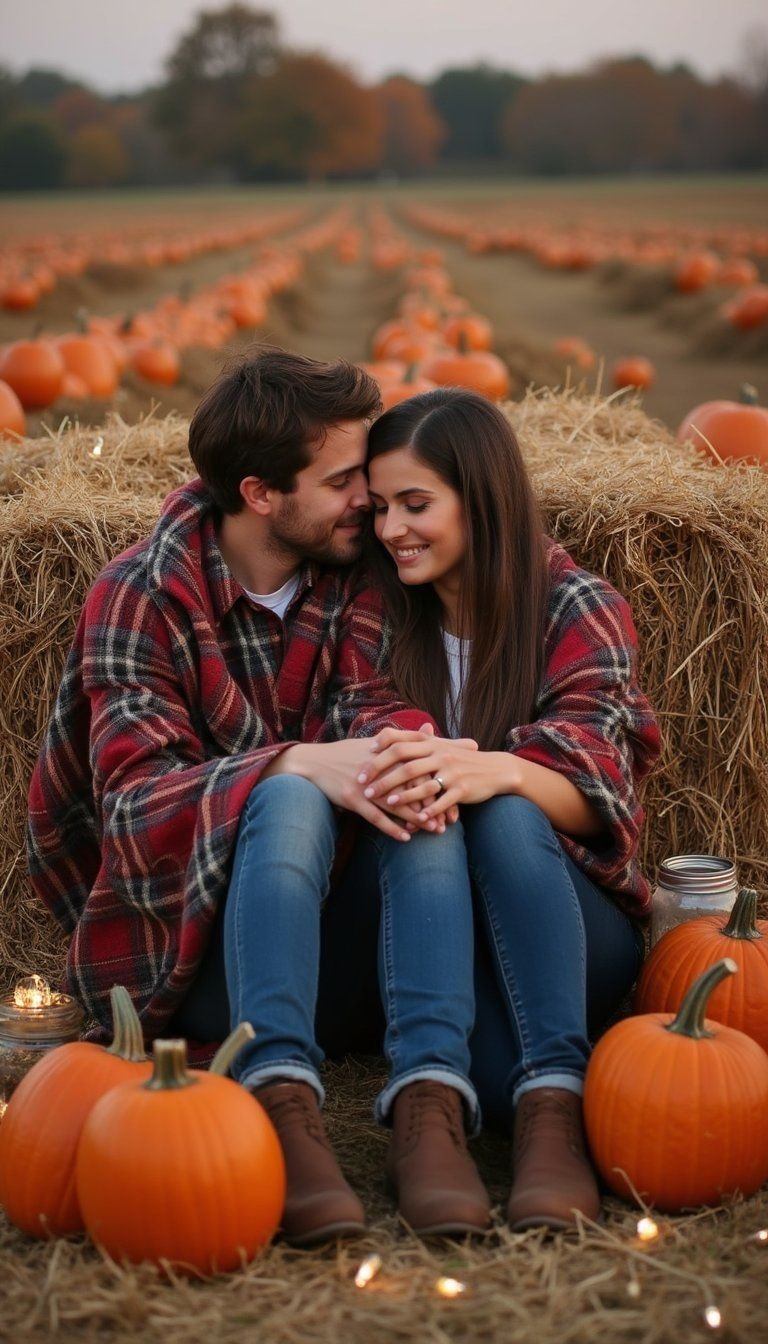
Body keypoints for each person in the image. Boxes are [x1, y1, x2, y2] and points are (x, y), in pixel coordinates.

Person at [26, 350, 491, 1247]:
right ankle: (278, 1101)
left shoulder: (357, 570)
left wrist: (403, 746)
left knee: (405, 772)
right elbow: (130, 806)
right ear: (261, 493)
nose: (372, 499)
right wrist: (291, 764)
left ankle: (433, 1102)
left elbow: (372, 702)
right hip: (193, 952)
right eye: (345, 480)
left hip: (332, 940)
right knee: (286, 797)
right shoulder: (139, 594)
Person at [359, 387, 661, 1232]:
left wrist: (496, 768)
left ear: (481, 498)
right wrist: (441, 767)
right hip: (423, 918)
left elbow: (603, 787)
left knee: (501, 801)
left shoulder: (575, 605)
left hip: (559, 914)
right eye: (380, 507)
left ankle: (557, 1109)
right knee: (425, 794)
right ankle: (429, 1112)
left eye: (416, 505)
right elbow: (375, 743)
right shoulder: (374, 611)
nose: (391, 531)